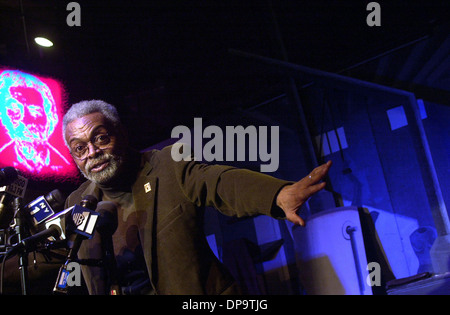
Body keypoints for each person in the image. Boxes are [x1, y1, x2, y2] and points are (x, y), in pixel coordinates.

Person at [62, 99, 332, 295]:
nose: (92, 153)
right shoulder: (78, 203)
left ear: (121, 133)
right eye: (80, 148)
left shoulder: (168, 164)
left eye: (100, 138)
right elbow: (51, 253)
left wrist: (276, 195)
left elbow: (220, 183)